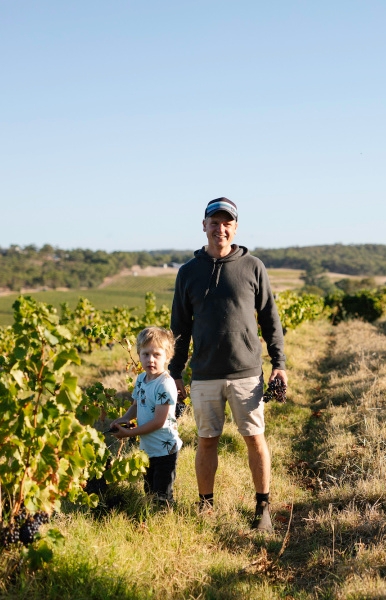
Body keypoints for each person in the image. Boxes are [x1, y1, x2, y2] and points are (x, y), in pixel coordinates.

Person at [170, 197, 287, 532]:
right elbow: (180, 327)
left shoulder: (253, 267)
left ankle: (262, 507)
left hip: (246, 372)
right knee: (207, 440)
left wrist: (279, 363)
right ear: (203, 226)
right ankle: (206, 505)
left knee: (255, 438)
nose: (220, 228)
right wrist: (175, 373)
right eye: (214, 222)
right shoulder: (188, 273)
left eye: (227, 223)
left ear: (235, 228)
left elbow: (270, 319)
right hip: (204, 373)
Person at [111, 327, 184, 505]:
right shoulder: (142, 379)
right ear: (139, 354)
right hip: (148, 447)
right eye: (145, 354)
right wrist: (124, 419)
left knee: (162, 494)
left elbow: (159, 422)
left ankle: (165, 522)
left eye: (157, 355)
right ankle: (151, 516)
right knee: (149, 490)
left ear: (168, 357)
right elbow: (136, 405)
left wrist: (129, 433)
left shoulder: (165, 384)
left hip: (165, 448)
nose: (150, 359)